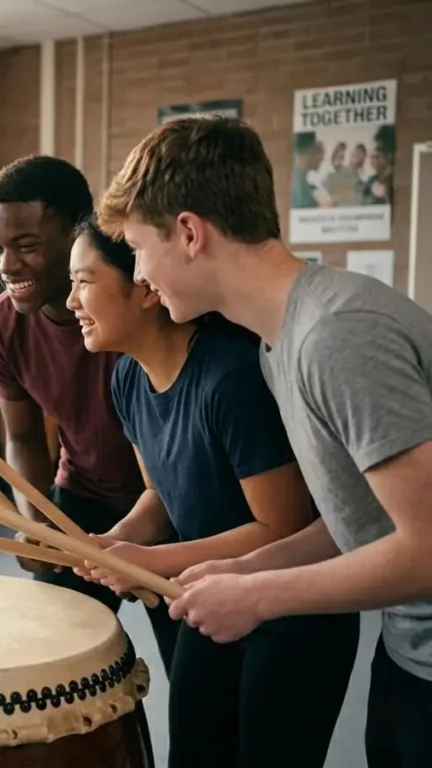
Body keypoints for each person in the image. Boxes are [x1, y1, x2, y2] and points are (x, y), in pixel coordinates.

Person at [96, 115, 432, 768]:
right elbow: (359, 522)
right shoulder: (284, 341)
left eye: (137, 247)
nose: (138, 274)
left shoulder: (337, 334)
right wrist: (246, 568)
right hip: (409, 650)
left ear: (190, 232)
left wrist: (259, 596)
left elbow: (429, 547)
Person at [65, 216, 358, 767]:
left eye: (83, 280)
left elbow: (282, 527)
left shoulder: (231, 374)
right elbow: (161, 496)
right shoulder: (126, 378)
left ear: (145, 287)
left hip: (291, 613)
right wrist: (114, 541)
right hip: (208, 597)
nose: (71, 300)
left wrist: (150, 560)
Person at [0, 156, 181, 665]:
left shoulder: (139, 311)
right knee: (55, 664)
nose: (6, 265)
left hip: (173, 501)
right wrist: (35, 523)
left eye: (26, 245)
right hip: (83, 495)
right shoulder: (1, 326)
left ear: (78, 235)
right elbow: (23, 438)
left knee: (194, 676)